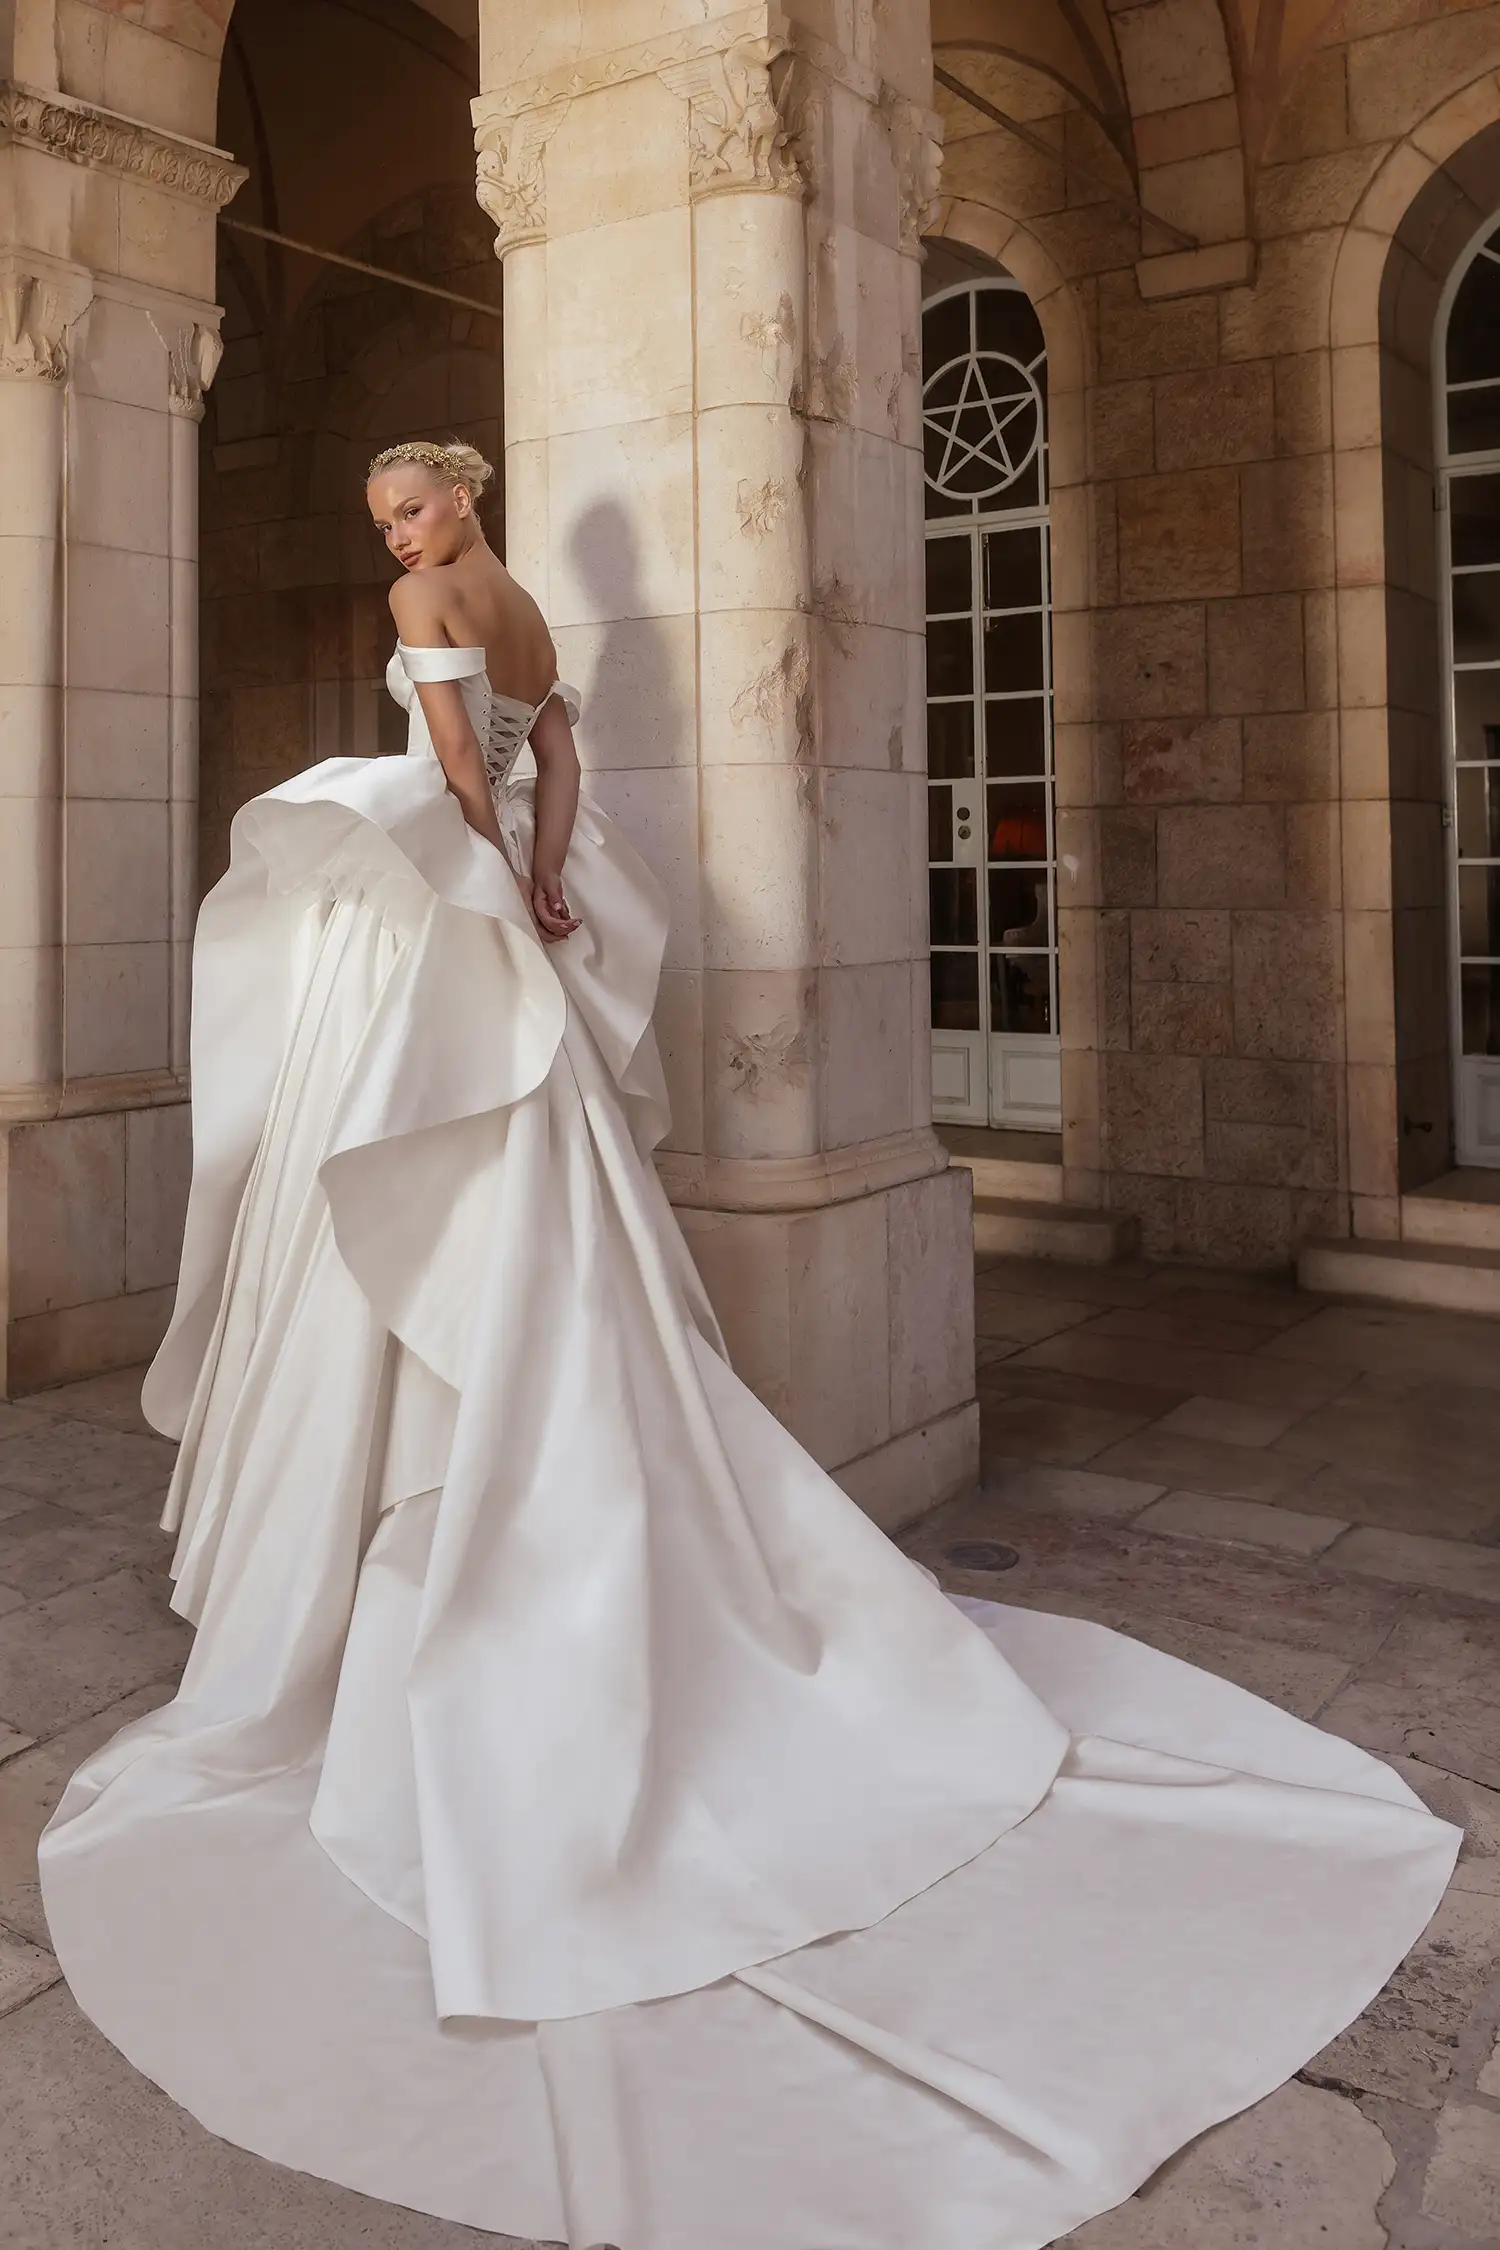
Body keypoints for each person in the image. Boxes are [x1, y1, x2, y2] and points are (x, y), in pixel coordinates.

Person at [40, 438, 1459, 2250]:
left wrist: (481, 889)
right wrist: (548, 896)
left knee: (395, 1179)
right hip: (512, 932)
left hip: (443, 939)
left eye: (413, 507)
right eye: (384, 517)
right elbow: (558, 768)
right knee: (527, 1224)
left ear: (459, 502)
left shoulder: (428, 611)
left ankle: (415, 1548)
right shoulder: (535, 606)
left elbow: (467, 773)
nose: (400, 537)